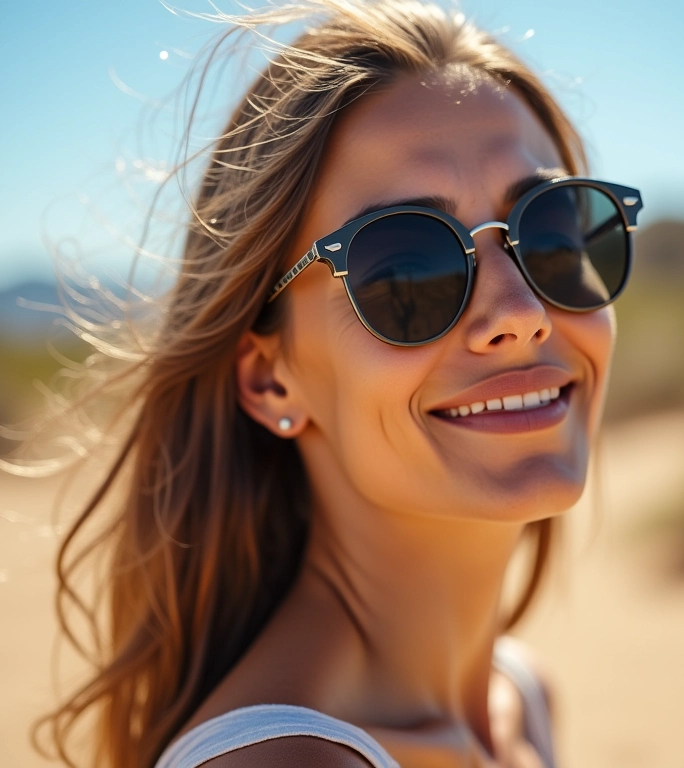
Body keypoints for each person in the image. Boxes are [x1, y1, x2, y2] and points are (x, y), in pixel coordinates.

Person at [35, 1, 642, 766]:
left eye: (552, 236)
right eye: (408, 267)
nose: (520, 314)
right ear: (270, 380)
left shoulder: (519, 697)